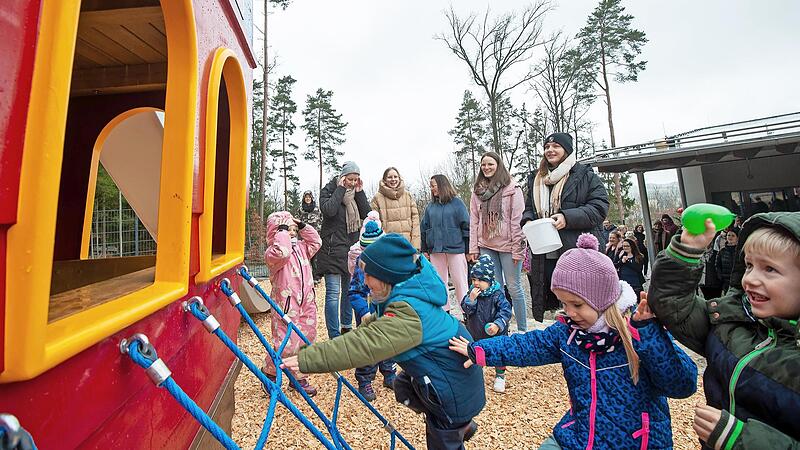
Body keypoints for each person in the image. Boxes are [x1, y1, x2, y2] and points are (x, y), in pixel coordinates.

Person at [450, 233, 697, 449]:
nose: (569, 312)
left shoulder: (637, 334)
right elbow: (525, 346)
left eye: (577, 304)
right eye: (563, 303)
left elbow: (683, 384)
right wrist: (477, 350)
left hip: (636, 442)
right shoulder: (568, 333)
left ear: (603, 300)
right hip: (581, 435)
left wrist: (649, 335)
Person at [283, 234, 486, 450]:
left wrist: (308, 358)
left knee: (441, 438)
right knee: (403, 386)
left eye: (369, 274)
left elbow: (361, 345)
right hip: (451, 375)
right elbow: (377, 326)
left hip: (453, 390)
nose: (364, 279)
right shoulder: (408, 291)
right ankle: (460, 425)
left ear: (386, 276)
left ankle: (455, 426)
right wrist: (372, 320)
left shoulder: (407, 315)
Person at [647, 212, 800, 449]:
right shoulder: (733, 321)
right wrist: (685, 253)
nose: (750, 280)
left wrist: (738, 438)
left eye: (769, 269)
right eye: (749, 265)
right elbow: (674, 306)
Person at [522, 133, 609, 323]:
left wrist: (566, 217)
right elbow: (529, 208)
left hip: (576, 249)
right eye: (547, 147)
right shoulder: (536, 179)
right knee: (560, 300)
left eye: (556, 146)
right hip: (545, 251)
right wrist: (527, 220)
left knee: (583, 300)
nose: (550, 150)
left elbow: (599, 207)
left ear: (567, 150)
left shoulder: (585, 176)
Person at [262, 211, 321, 396]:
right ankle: (270, 373)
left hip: (306, 302)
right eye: (288, 229)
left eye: (294, 229)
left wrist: (303, 225)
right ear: (276, 232)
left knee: (306, 338)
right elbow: (283, 251)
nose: (292, 233)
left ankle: (298, 377)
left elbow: (316, 242)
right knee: (285, 343)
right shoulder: (274, 253)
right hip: (286, 304)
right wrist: (282, 232)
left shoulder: (302, 248)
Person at [469, 152, 527, 331]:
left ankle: (522, 329)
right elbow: (474, 220)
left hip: (509, 246)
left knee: (514, 287)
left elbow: (518, 220)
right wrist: (473, 247)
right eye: (483, 165)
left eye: (490, 164)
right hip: (486, 245)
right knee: (496, 289)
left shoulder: (512, 188)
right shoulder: (477, 191)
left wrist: (518, 249)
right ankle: (501, 326)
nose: (486, 168)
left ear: (498, 165)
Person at [317, 161, 371, 338]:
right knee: (333, 293)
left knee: (350, 292)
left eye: (356, 179)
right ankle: (334, 334)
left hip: (350, 249)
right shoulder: (329, 190)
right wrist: (340, 190)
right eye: (350, 179)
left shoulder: (356, 193)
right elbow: (329, 211)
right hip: (332, 249)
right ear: (343, 177)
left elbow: (367, 214)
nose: (353, 183)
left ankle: (346, 327)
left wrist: (360, 193)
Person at [347, 216, 396, 402]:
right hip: (368, 314)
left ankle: (389, 372)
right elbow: (354, 293)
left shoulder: (391, 263)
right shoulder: (362, 265)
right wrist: (364, 312)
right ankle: (364, 379)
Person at [460, 255, 512, 393]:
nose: (476, 283)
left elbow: (506, 311)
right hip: (475, 331)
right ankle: (476, 375)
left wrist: (498, 324)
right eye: (474, 279)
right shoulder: (471, 293)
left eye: (481, 280)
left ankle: (500, 376)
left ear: (489, 280)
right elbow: (465, 310)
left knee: (498, 353)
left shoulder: (497, 294)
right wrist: (471, 300)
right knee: (476, 353)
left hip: (495, 332)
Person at [420, 174, 470, 313]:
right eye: (430, 186)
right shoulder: (430, 207)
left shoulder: (457, 203)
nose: (431, 188)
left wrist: (468, 249)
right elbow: (424, 227)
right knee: (439, 282)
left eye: (433, 185)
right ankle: (444, 311)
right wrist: (425, 249)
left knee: (460, 281)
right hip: (436, 249)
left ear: (442, 185)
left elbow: (466, 226)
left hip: (456, 248)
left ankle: (466, 311)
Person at [370, 167, 421, 249]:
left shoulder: (408, 196)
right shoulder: (377, 198)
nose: (393, 179)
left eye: (395, 177)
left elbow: (415, 222)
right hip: (387, 246)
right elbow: (375, 224)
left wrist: (415, 245)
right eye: (389, 177)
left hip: (407, 245)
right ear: (385, 180)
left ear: (399, 178)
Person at [299, 190, 322, 281]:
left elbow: (321, 219)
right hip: (303, 236)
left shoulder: (316, 209)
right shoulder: (300, 209)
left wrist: (319, 230)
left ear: (311, 198)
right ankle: (305, 276)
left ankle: (316, 276)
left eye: (309, 197)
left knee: (315, 257)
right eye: (306, 197)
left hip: (315, 235)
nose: (307, 199)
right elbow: (297, 220)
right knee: (305, 255)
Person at [715, 228, 738, 293]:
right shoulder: (722, 251)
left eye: (733, 236)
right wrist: (720, 277)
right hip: (726, 281)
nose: (730, 237)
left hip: (738, 281)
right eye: (728, 235)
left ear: (737, 238)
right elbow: (718, 265)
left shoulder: (740, 251)